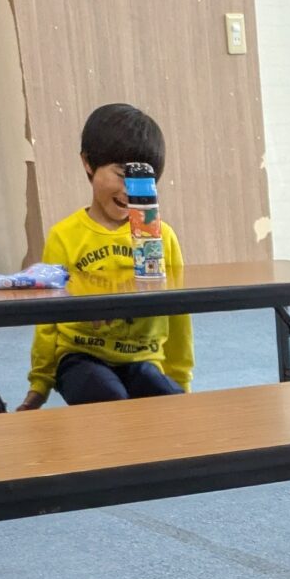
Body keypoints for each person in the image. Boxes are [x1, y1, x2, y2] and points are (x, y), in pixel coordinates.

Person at [20, 103, 192, 407]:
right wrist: (40, 384)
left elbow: (179, 315)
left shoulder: (162, 237)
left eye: (145, 181)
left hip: (142, 358)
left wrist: (180, 382)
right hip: (80, 356)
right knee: (110, 397)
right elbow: (48, 318)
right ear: (88, 162)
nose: (132, 191)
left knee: (165, 400)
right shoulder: (65, 236)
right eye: (123, 175)